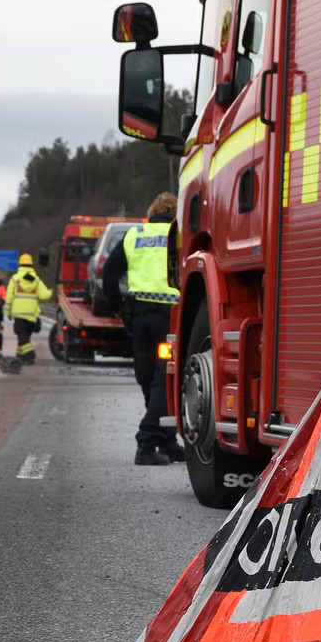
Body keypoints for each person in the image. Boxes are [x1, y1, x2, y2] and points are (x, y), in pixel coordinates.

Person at [102, 192, 185, 466]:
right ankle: (149, 440)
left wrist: (117, 308)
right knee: (165, 377)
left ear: (151, 211)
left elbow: (110, 274)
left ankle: (167, 439)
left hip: (139, 315)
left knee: (147, 375)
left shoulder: (134, 235)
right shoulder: (181, 234)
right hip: (171, 315)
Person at [6, 253, 53, 365]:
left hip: (18, 313)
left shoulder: (15, 279)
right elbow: (44, 295)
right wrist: (53, 291)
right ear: (31, 265)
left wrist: (7, 312)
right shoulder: (36, 280)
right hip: (32, 314)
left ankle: (29, 355)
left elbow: (9, 297)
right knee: (24, 336)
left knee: (22, 336)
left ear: (20, 265)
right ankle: (20, 357)